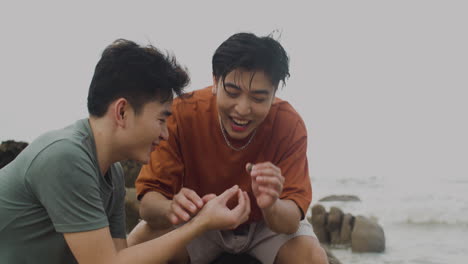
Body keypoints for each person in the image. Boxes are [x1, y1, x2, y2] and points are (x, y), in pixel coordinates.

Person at [0, 39, 251, 264]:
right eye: (162, 119)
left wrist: (193, 217)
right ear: (122, 112)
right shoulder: (65, 157)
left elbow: (122, 256)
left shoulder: (113, 173)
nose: (165, 134)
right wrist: (200, 224)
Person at [128, 33, 328, 264]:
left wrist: (271, 204)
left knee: (312, 256)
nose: (242, 109)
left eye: (259, 98)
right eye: (232, 92)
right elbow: (148, 205)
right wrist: (172, 207)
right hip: (199, 220)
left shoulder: (289, 124)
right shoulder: (182, 113)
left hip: (264, 226)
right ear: (215, 81)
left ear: (274, 93)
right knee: (137, 245)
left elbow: (291, 220)